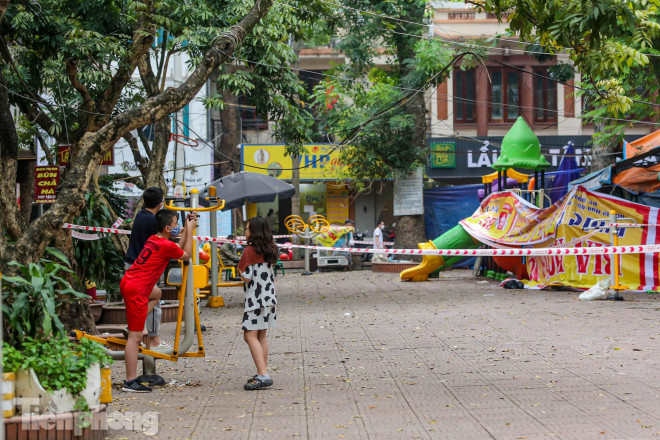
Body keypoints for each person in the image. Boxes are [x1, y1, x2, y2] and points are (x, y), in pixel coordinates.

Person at [121, 210, 196, 392]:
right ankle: (130, 381)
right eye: (176, 223)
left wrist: (187, 226)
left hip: (130, 282)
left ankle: (134, 323)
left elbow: (178, 244)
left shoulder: (155, 239)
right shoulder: (165, 245)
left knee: (157, 294)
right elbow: (186, 254)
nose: (178, 226)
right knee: (135, 338)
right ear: (168, 228)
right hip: (138, 289)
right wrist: (191, 231)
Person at [124, 187, 170, 349]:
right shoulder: (153, 221)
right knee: (154, 300)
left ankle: (135, 329)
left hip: (131, 264)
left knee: (141, 302)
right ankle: (154, 339)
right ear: (160, 204)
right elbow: (165, 237)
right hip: (143, 269)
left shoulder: (141, 215)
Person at [237, 216, 278, 390]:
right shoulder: (271, 249)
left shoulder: (249, 251)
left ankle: (262, 374)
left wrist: (239, 272)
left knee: (249, 335)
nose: (245, 232)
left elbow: (247, 277)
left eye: (247, 229)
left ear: (254, 232)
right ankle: (263, 370)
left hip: (255, 299)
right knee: (261, 335)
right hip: (269, 298)